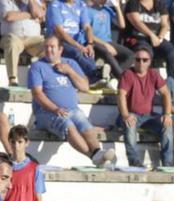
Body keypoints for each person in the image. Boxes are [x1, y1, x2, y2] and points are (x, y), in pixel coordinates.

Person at [29, 35, 116, 167]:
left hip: (72, 109)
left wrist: (69, 71)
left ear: (60, 49)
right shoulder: (37, 66)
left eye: (52, 47)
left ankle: (98, 152)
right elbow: (37, 94)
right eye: (46, 47)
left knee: (84, 122)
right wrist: (55, 109)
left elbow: (85, 87)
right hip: (47, 112)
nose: (49, 50)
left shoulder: (70, 64)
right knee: (68, 124)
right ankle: (94, 156)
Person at [117, 43, 174, 169]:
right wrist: (125, 115)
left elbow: (166, 93)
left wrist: (167, 114)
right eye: (138, 60)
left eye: (145, 60)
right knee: (130, 123)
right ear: (134, 60)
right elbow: (121, 95)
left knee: (168, 123)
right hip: (131, 114)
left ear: (150, 61)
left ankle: (167, 163)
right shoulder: (128, 74)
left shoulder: (154, 74)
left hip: (149, 116)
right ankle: (134, 161)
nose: (141, 63)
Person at [45, 0, 104, 85]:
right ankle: (96, 76)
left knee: (89, 52)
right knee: (76, 52)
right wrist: (79, 46)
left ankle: (93, 79)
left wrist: (90, 44)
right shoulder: (55, 4)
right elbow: (59, 31)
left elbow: (87, 27)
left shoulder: (81, 4)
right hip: (60, 41)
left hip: (78, 42)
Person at [3, 125, 45, 201]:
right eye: (13, 142)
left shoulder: (35, 169)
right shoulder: (4, 168)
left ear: (27, 143)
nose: (16, 146)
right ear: (9, 143)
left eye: (20, 142)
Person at [121, 0, 174, 77]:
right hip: (137, 37)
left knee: (173, 54)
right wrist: (151, 35)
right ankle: (142, 81)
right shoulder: (133, 3)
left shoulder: (159, 4)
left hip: (157, 38)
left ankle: (171, 81)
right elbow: (136, 22)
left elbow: (165, 25)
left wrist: (160, 37)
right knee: (146, 54)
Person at [0, 0, 45, 87]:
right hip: (13, 37)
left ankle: (45, 80)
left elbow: (39, 14)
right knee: (12, 42)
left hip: (33, 40)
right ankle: (12, 79)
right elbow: (9, 16)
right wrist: (29, 14)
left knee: (48, 44)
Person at [88, 0, 135, 83]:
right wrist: (106, 45)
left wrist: (117, 8)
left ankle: (112, 77)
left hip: (108, 42)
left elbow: (122, 25)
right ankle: (122, 81)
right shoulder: (88, 11)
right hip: (94, 42)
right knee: (108, 54)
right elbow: (88, 34)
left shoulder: (107, 10)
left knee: (130, 55)